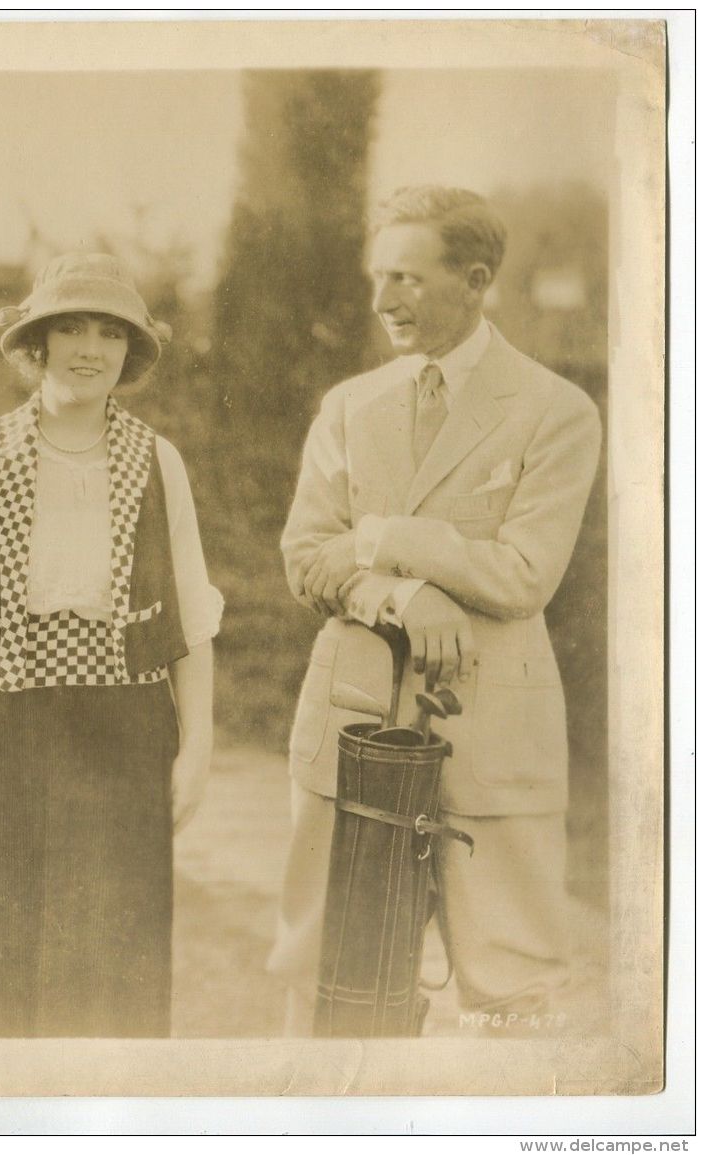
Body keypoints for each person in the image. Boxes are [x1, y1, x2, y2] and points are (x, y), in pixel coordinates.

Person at [270, 186, 603, 1034]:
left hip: (493, 729)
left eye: (409, 279)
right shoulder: (349, 406)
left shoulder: (555, 411)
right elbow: (308, 556)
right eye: (380, 277)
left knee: (512, 993)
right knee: (328, 980)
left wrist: (382, 535)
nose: (385, 301)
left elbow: (523, 574)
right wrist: (400, 592)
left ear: (476, 279)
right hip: (354, 718)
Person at [0, 253, 223, 1038]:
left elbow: (191, 622)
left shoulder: (160, 461)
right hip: (2, 729)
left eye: (108, 332)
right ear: (38, 344)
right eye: (69, 328)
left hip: (123, 732)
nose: (89, 348)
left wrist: (195, 750)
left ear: (128, 350)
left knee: (115, 958)